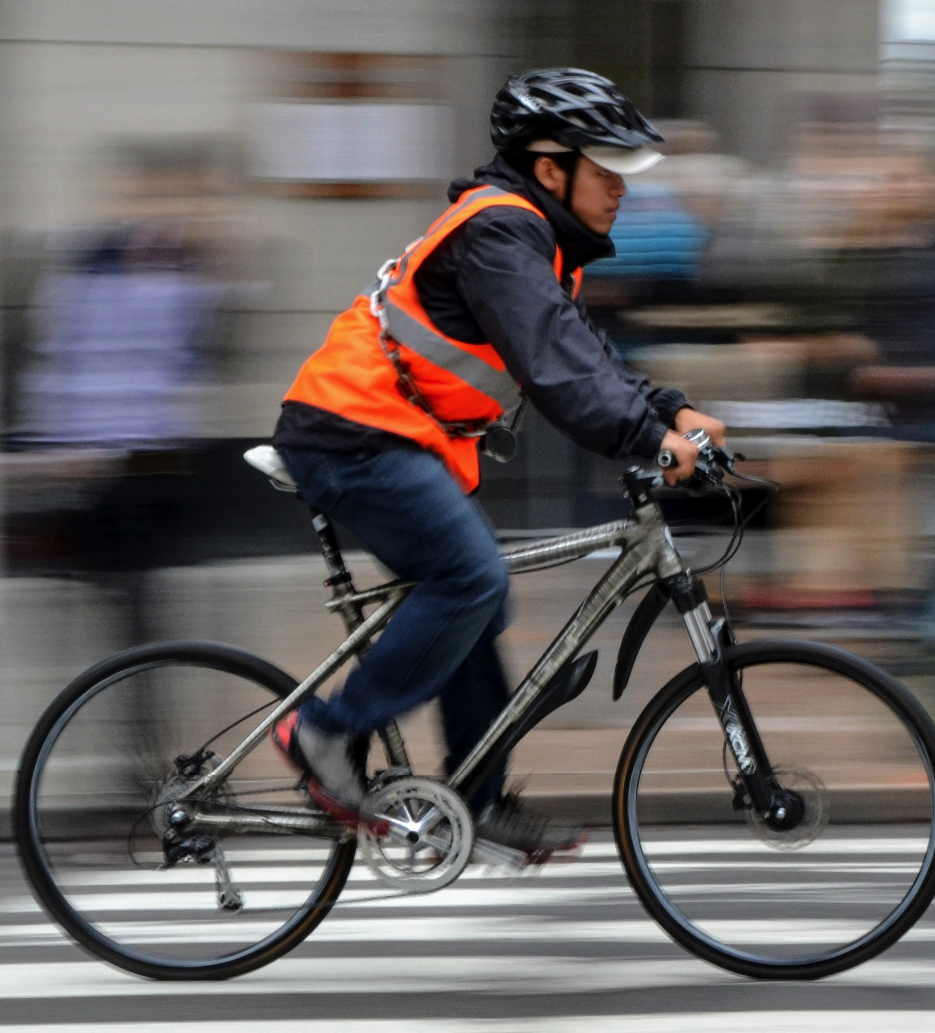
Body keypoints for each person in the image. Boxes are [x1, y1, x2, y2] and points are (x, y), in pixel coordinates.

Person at [270, 67, 726, 858]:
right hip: (349, 436)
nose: (623, 189)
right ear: (550, 167)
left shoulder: (536, 244)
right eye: (607, 168)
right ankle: (324, 733)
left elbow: (587, 357)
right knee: (472, 577)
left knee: (479, 598)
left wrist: (668, 408)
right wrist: (645, 440)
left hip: (390, 439)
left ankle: (473, 800)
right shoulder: (498, 230)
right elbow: (555, 370)